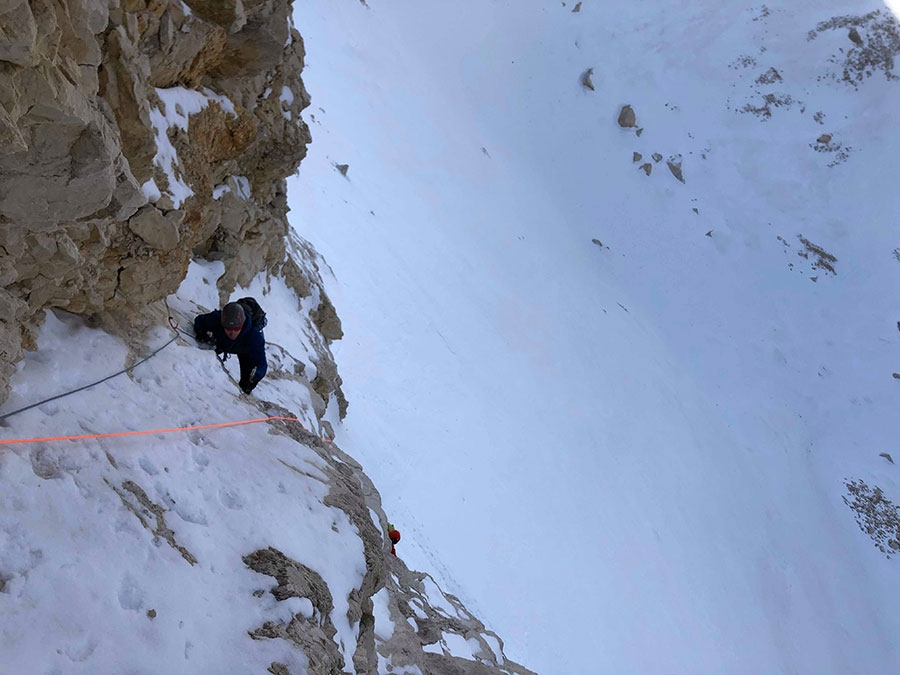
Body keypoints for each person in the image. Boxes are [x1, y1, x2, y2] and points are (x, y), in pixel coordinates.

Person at [194, 301, 267, 394]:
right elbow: (199, 321)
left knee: (248, 383)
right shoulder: (216, 319)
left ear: (242, 325)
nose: (232, 333)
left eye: (236, 329)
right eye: (228, 329)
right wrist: (201, 333)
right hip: (224, 343)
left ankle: (244, 391)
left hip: (244, 349)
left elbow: (261, 363)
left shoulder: (254, 336)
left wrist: (256, 375)